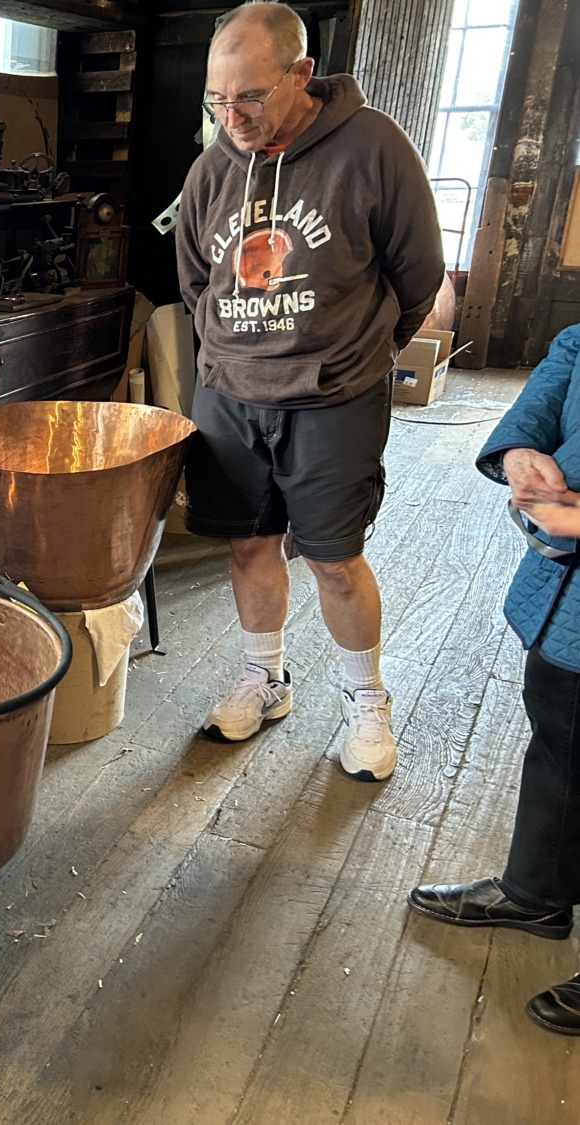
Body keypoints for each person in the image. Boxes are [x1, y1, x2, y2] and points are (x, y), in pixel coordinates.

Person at [175, 1, 445, 780]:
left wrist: (359, 355)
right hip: (230, 396)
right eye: (218, 100)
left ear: (300, 74)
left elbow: (418, 274)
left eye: (251, 97)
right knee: (248, 544)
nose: (233, 117)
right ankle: (266, 678)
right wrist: (232, 357)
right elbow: (196, 281)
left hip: (335, 396)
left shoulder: (372, 147)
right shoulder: (211, 168)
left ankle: (367, 701)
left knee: (334, 559)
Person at [407, 324, 580, 1035]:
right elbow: (564, 358)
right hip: (565, 587)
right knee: (560, 730)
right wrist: (518, 451)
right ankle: (535, 889)